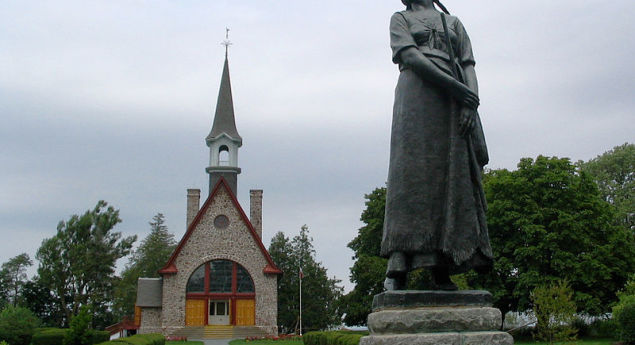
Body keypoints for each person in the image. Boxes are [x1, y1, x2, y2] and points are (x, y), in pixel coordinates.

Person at [382, 0, 493, 290]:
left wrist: (470, 104)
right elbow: (411, 57)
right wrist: (460, 91)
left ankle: (440, 265)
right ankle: (399, 259)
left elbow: (468, 64)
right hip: (417, 95)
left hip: (452, 103)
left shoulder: (453, 22)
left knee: (448, 175)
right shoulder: (400, 19)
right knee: (410, 176)